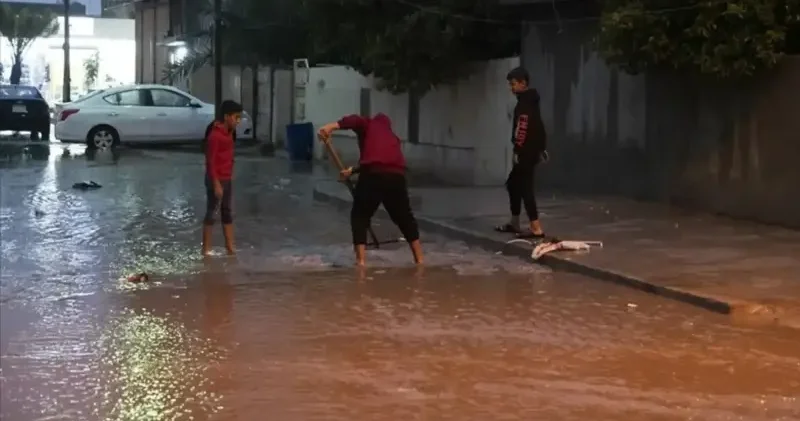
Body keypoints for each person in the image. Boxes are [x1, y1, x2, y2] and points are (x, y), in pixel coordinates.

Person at [317, 113, 424, 266]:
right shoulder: (392, 137)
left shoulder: (368, 124)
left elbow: (355, 121)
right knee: (405, 218)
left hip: (373, 176)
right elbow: (380, 160)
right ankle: (419, 259)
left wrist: (330, 127)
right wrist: (352, 171)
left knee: (360, 216)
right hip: (396, 177)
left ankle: (361, 262)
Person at [494, 66, 548, 239]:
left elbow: (522, 128)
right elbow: (539, 126)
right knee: (513, 184)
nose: (511, 88)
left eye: (513, 84)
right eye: (510, 84)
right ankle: (515, 222)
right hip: (532, 149)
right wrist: (542, 147)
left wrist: (518, 149)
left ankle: (536, 227)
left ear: (523, 83)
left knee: (525, 187)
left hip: (525, 151)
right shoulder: (530, 101)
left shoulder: (525, 104)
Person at [202, 100, 242, 256]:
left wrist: (230, 174)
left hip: (226, 178)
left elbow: (229, 156)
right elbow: (210, 161)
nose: (238, 121)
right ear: (226, 117)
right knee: (211, 212)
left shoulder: (231, 133)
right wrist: (216, 183)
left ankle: (230, 247)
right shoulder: (215, 136)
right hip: (215, 178)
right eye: (236, 117)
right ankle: (206, 249)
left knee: (227, 212)